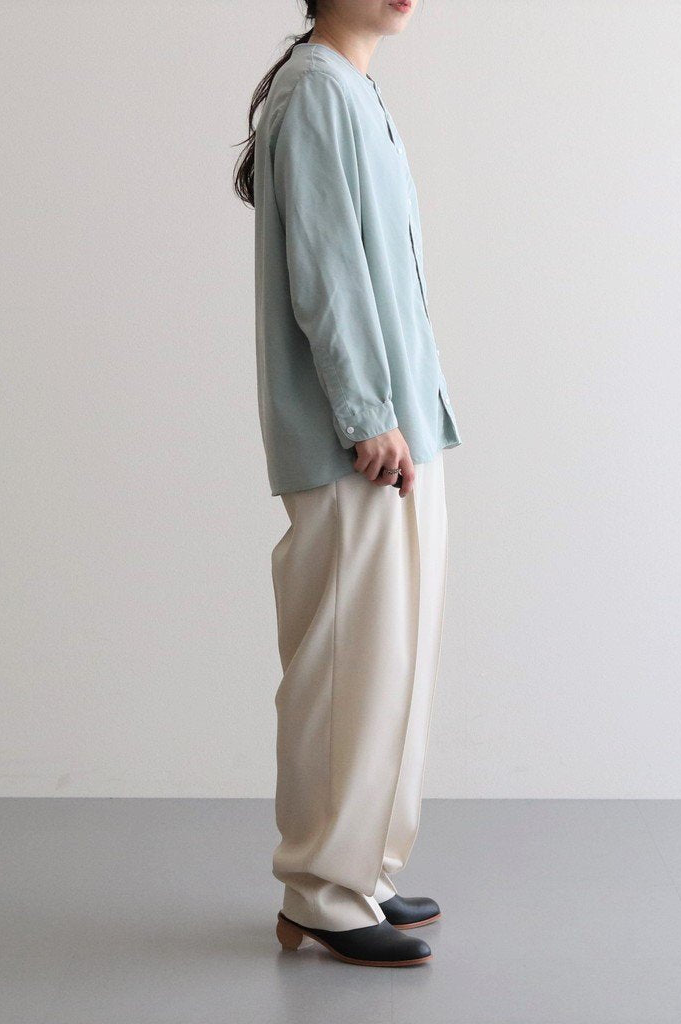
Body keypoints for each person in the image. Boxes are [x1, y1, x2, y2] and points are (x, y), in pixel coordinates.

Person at [233, 0, 462, 968]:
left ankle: (359, 870)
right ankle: (321, 890)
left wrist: (401, 415)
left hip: (401, 431)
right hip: (358, 440)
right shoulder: (318, 93)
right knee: (346, 669)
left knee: (388, 666)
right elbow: (324, 272)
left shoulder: (352, 90)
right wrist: (367, 414)